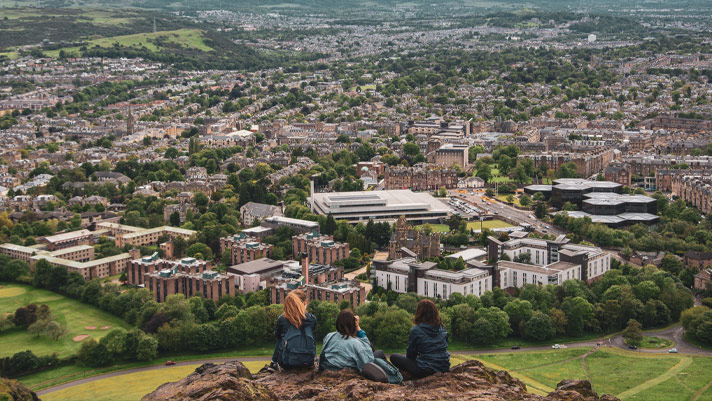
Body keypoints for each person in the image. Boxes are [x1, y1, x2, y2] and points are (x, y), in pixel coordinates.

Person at [319, 309, 389, 382]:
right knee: (379, 353)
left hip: (330, 367)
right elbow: (368, 360)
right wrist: (357, 327)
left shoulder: (329, 336)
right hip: (347, 369)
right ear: (352, 324)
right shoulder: (354, 343)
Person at [390, 299, 450, 379]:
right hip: (444, 367)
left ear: (419, 313)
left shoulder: (416, 330)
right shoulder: (442, 328)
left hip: (425, 370)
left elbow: (411, 354)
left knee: (394, 357)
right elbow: (444, 347)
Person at [269, 290, 317, 371]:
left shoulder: (282, 319)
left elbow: (277, 335)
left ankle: (273, 362)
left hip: (287, 363)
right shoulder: (312, 319)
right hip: (308, 362)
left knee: (280, 339)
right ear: (304, 303)